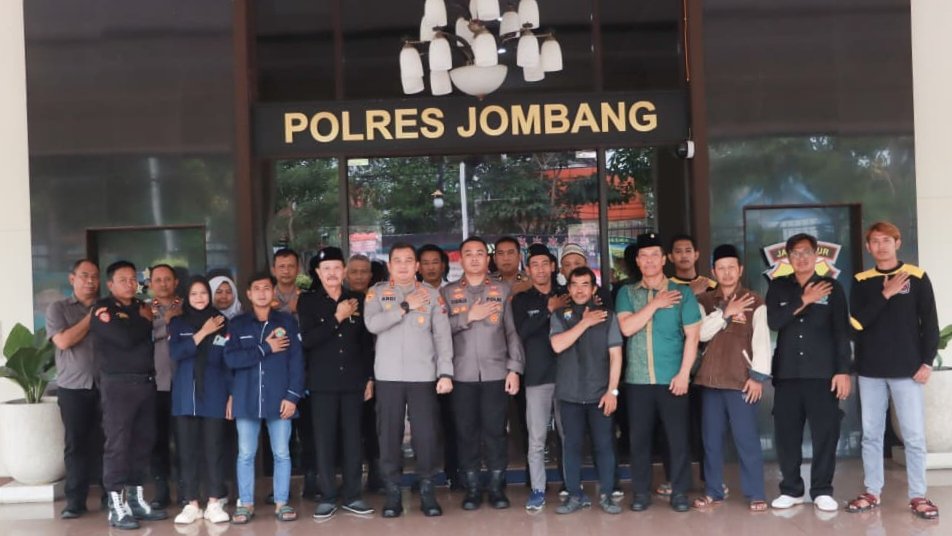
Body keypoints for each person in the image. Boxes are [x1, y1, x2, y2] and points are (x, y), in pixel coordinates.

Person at [846, 222, 940, 520]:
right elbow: (857, 323)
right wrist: (885, 294)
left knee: (914, 436)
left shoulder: (917, 277)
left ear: (897, 243)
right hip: (870, 370)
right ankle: (872, 491)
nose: (881, 246)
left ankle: (918, 495)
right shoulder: (862, 281)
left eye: (887, 240)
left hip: (908, 370)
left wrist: (927, 362)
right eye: (875, 241)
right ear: (868, 247)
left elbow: (930, 324)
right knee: (871, 435)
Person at [365, 243, 454, 518]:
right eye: (397, 260)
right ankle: (393, 493)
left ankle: (427, 490)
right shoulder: (376, 293)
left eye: (408, 260)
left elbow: (442, 337)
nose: (403, 265)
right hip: (388, 376)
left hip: (423, 376)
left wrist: (445, 373)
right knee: (389, 435)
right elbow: (372, 324)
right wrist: (405, 306)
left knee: (426, 435)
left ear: (416, 265)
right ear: (389, 265)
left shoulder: (432, 295)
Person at [766, 233, 852, 513]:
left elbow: (841, 332)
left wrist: (843, 371)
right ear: (788, 258)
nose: (801, 258)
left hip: (823, 374)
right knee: (787, 435)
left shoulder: (832, 287)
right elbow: (775, 321)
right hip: (787, 374)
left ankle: (822, 490)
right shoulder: (778, 286)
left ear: (816, 256)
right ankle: (791, 490)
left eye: (806, 252)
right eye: (795, 253)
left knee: (825, 434)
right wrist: (805, 299)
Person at [616, 233, 701, 513]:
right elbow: (627, 328)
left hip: (672, 378)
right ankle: (641, 493)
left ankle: (679, 492)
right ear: (638, 261)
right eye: (644, 256)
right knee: (639, 440)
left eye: (655, 255)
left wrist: (684, 374)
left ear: (664, 259)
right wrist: (655, 303)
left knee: (677, 439)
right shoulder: (627, 293)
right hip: (638, 380)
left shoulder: (683, 293)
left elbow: (693, 336)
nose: (650, 260)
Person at [442, 236, 525, 511]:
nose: (475, 258)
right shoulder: (448, 292)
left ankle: (497, 487)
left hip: (495, 373)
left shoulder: (501, 289)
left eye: (480, 253)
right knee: (466, 433)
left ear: (487, 259)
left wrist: (514, 369)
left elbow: (511, 332)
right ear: (461, 259)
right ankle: (473, 488)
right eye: (469, 253)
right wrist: (468, 317)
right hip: (461, 375)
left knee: (496, 432)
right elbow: (440, 332)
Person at [691, 244, 771, 512]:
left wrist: (757, 377)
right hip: (710, 381)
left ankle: (756, 493)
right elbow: (700, 334)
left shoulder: (755, 301)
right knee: (711, 441)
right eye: (721, 268)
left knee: (746, 440)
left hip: (742, 382)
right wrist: (725, 312)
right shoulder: (704, 301)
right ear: (713, 271)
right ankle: (713, 491)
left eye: (731, 268)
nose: (726, 273)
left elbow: (762, 342)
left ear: (740, 270)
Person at [89, 260, 168, 529]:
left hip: (146, 383)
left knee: (143, 442)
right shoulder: (103, 309)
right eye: (123, 280)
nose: (130, 284)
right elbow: (125, 339)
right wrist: (144, 320)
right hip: (118, 386)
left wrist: (143, 317)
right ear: (110, 284)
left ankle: (135, 499)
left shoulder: (140, 307)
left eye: (133, 279)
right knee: (118, 444)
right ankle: (116, 504)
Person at [299, 247, 375, 519]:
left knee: (353, 439)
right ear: (318, 273)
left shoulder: (358, 299)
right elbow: (307, 340)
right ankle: (328, 496)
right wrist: (337, 318)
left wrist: (369, 378)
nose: (331, 273)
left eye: (336, 268)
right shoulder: (308, 302)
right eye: (326, 269)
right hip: (322, 383)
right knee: (324, 440)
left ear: (344, 271)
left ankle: (353, 495)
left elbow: (366, 345)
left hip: (353, 381)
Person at [224, 272, 305, 524]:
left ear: (273, 292)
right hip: (246, 397)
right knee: (246, 454)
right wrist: (265, 347)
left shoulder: (287, 322)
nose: (262, 293)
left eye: (266, 288)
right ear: (248, 294)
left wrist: (292, 397)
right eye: (256, 288)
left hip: (280, 398)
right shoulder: (237, 324)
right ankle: (246, 504)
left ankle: (282, 502)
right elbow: (231, 359)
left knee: (281, 453)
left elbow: (297, 362)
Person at [550, 266, 624, 515]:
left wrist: (612, 392)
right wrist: (584, 323)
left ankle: (607, 495)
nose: (580, 290)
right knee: (571, 447)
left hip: (600, 395)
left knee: (604, 446)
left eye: (585, 285)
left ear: (594, 289)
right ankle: (574, 495)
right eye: (575, 285)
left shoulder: (608, 316)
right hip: (569, 394)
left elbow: (616, 356)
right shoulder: (559, 316)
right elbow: (557, 345)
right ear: (569, 289)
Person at [168, 277, 231, 524]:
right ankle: (191, 503)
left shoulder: (222, 322)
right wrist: (204, 331)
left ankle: (215, 501)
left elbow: (227, 359)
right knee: (187, 451)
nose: (199, 298)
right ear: (186, 297)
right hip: (186, 394)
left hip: (215, 393)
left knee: (214, 449)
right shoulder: (178, 323)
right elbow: (176, 353)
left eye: (203, 293)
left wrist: (231, 394)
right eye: (194, 294)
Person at [511, 244, 568, 511]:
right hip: (537, 376)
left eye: (545, 263)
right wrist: (548, 309)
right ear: (528, 269)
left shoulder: (567, 295)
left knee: (568, 435)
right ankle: (537, 489)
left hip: (568, 375)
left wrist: (556, 305)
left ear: (553, 266)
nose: (541, 269)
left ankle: (570, 485)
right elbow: (522, 331)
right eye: (535, 265)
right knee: (537, 438)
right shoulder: (522, 300)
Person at [47, 259, 104, 519]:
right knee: (76, 445)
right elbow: (63, 340)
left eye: (94, 276)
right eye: (84, 276)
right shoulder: (58, 308)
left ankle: (111, 497)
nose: (90, 281)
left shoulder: (108, 307)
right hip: (73, 388)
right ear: (72, 279)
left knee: (108, 443)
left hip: (106, 385)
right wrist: (92, 318)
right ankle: (75, 501)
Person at [269, 248, 318, 501]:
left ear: (298, 269)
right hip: (276, 373)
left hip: (305, 371)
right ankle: (279, 487)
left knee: (308, 431)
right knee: (279, 436)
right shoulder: (266, 297)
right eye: (281, 266)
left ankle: (311, 480)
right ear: (273, 269)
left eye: (290, 266)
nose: (286, 270)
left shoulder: (308, 297)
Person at [416, 244, 460, 489]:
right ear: (418, 266)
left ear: (443, 265)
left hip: (451, 368)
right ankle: (426, 476)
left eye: (435, 262)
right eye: (425, 262)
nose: (431, 267)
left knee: (453, 423)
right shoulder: (412, 295)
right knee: (425, 426)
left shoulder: (453, 292)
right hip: (421, 369)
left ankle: (454, 472)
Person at [344, 253, 384, 492]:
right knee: (351, 427)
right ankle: (351, 478)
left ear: (371, 275)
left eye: (363, 272)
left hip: (380, 371)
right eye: (354, 272)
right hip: (348, 373)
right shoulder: (342, 301)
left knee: (374, 426)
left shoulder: (379, 298)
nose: (359, 276)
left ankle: (377, 474)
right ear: (346, 275)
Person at [147, 264, 182, 509]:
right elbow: (140, 336)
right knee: (157, 441)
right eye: (157, 280)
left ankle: (185, 490)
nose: (163, 284)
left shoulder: (186, 306)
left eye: (167, 279)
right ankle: (161, 491)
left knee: (184, 441)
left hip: (183, 384)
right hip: (155, 385)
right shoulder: (143, 310)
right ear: (150, 284)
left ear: (176, 282)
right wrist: (168, 323)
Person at [558, 243, 613, 308]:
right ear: (561, 270)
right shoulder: (559, 296)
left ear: (587, 266)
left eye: (577, 263)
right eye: (567, 265)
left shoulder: (601, 294)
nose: (573, 268)